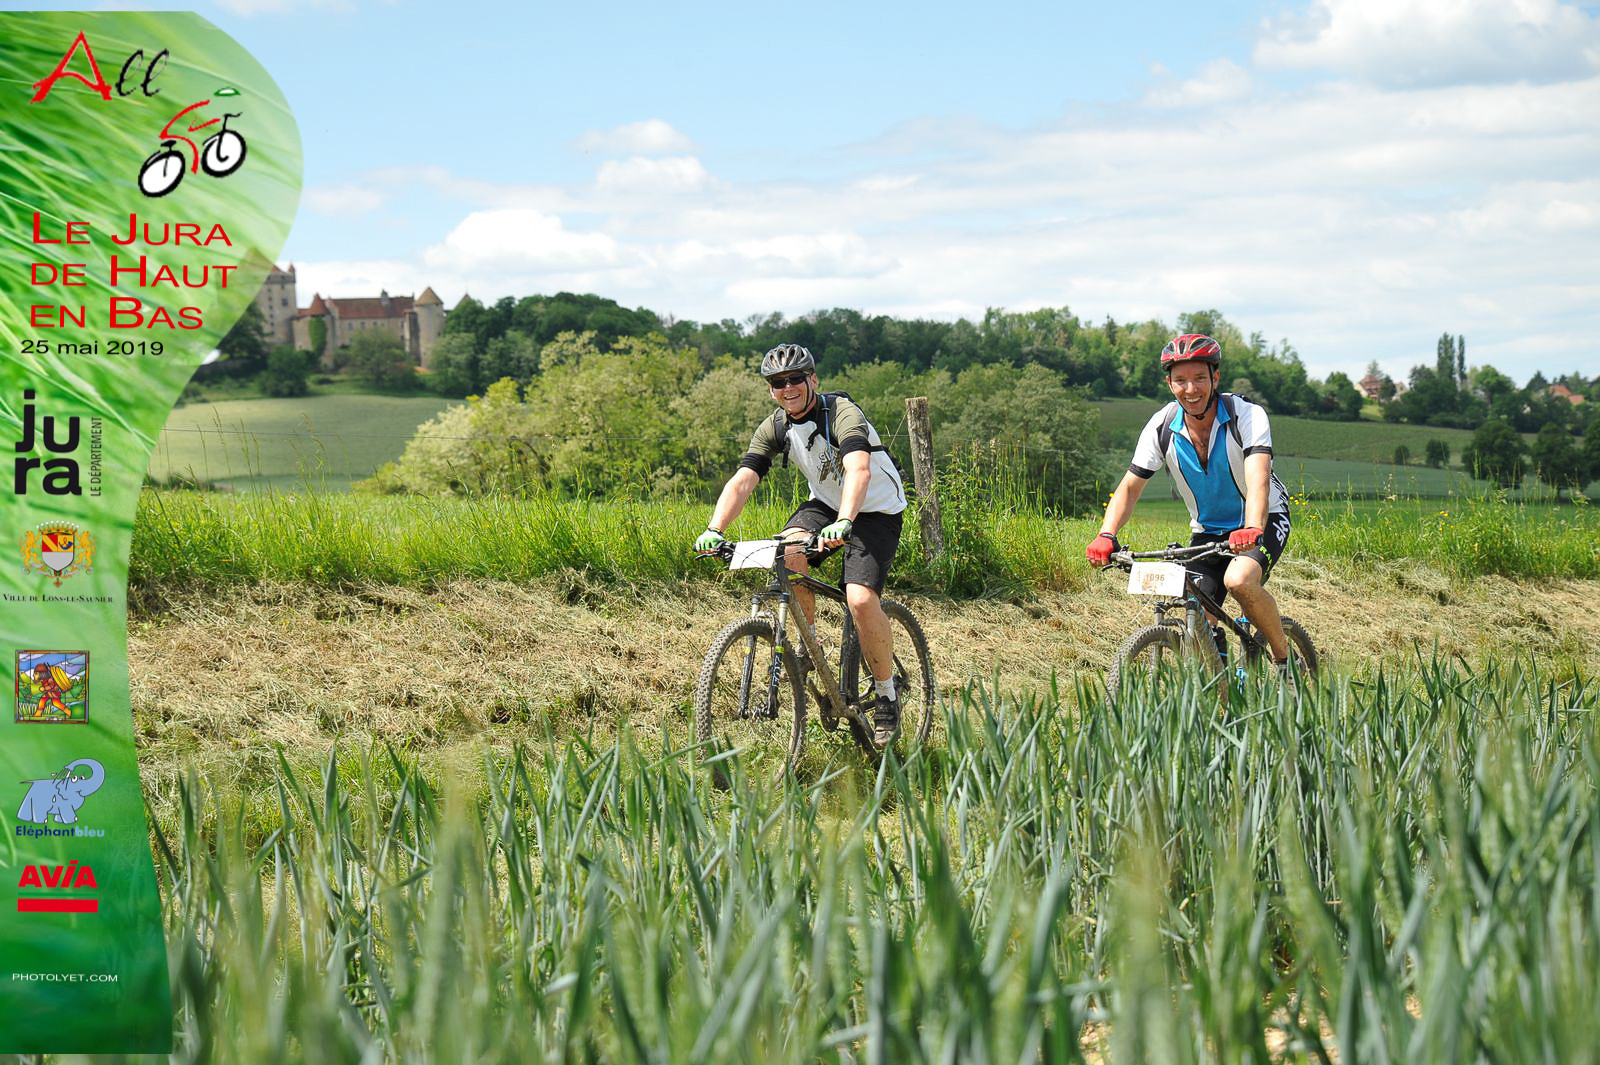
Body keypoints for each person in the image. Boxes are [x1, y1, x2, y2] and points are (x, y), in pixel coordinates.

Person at [695, 343, 908, 746]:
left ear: (813, 379)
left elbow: (858, 470)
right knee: (788, 550)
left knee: (860, 598)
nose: (788, 387)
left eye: (795, 378)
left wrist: (845, 522)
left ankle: (886, 694)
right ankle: (811, 644)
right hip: (826, 502)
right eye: (778, 382)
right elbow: (744, 480)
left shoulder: (842, 413)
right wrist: (714, 529)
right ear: (771, 389)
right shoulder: (776, 426)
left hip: (875, 507)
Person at [1086, 333, 1296, 672]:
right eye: (1180, 380)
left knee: (1239, 580)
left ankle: (1286, 661)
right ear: (1169, 383)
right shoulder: (1162, 426)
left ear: (1215, 378)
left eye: (1200, 378)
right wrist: (1106, 534)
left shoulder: (1247, 415)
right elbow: (1130, 488)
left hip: (1264, 518)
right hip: (1208, 531)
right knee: (1196, 615)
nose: (1191, 389)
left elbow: (1258, 478)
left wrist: (1252, 527)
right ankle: (1221, 688)